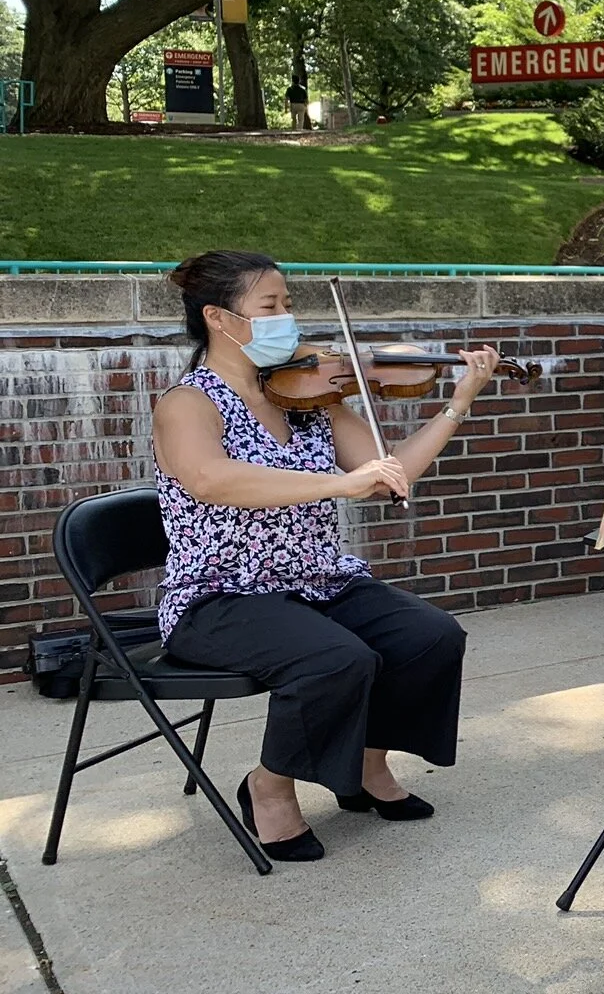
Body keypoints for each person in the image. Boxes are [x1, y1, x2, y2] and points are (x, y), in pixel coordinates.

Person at [152, 251, 501, 862]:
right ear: (219, 318)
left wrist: (459, 399)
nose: (288, 318)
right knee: (337, 658)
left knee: (430, 635)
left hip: (316, 580)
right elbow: (211, 479)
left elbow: (392, 475)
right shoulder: (188, 403)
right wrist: (336, 484)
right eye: (271, 306)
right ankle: (269, 786)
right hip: (222, 594)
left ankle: (369, 764)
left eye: (289, 304)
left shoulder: (309, 395)